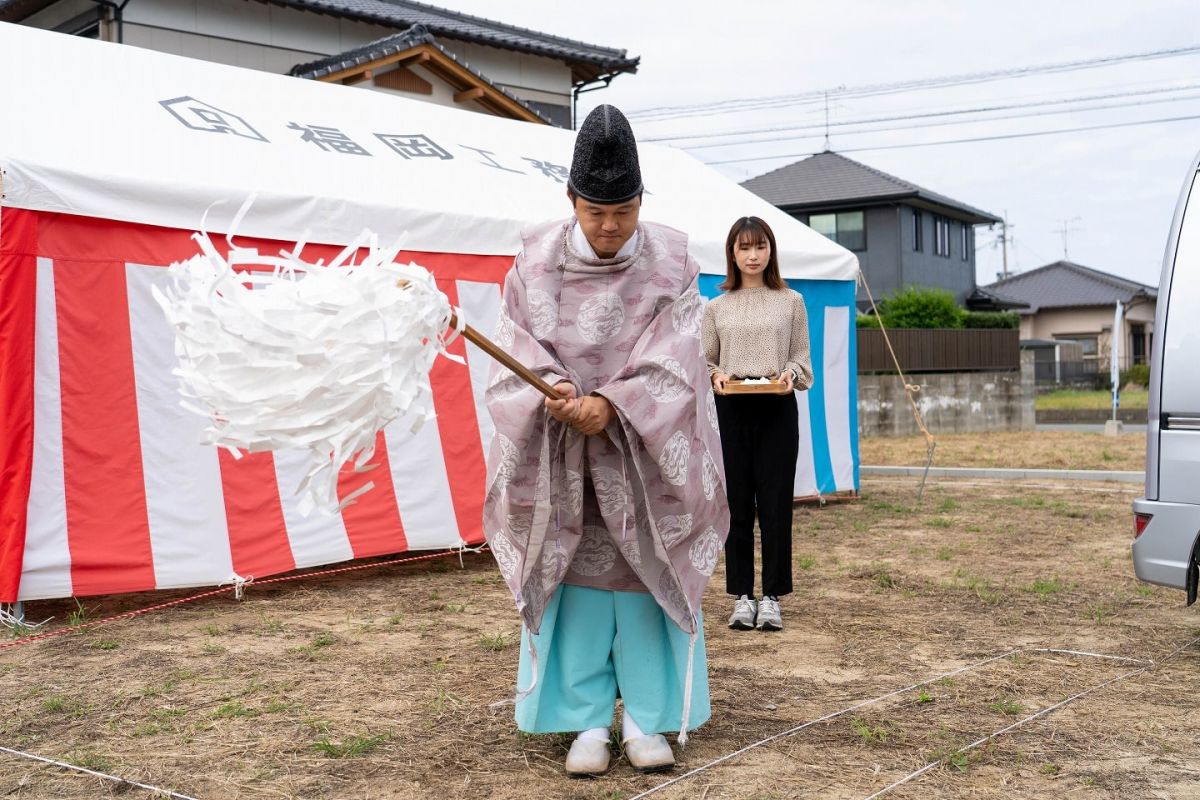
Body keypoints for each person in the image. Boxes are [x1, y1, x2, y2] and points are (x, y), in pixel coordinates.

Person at [482, 105, 729, 777]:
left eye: (624, 211)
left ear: (642, 202)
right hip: (558, 449)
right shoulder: (531, 258)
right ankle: (585, 720)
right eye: (597, 212)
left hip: (641, 451)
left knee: (644, 579)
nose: (612, 226)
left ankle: (649, 720)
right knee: (577, 583)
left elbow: (679, 346)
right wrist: (555, 391)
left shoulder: (674, 257)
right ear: (571, 202)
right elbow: (515, 340)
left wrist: (612, 405)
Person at [701, 216, 812, 633]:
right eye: (744, 247)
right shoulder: (715, 308)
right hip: (732, 409)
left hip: (777, 408)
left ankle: (772, 597)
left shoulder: (792, 301)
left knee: (776, 502)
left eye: (760, 246)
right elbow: (706, 360)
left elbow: (801, 357)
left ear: (771, 250)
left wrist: (789, 374)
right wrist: (715, 376)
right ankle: (742, 596)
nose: (752, 255)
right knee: (737, 503)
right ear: (732, 252)